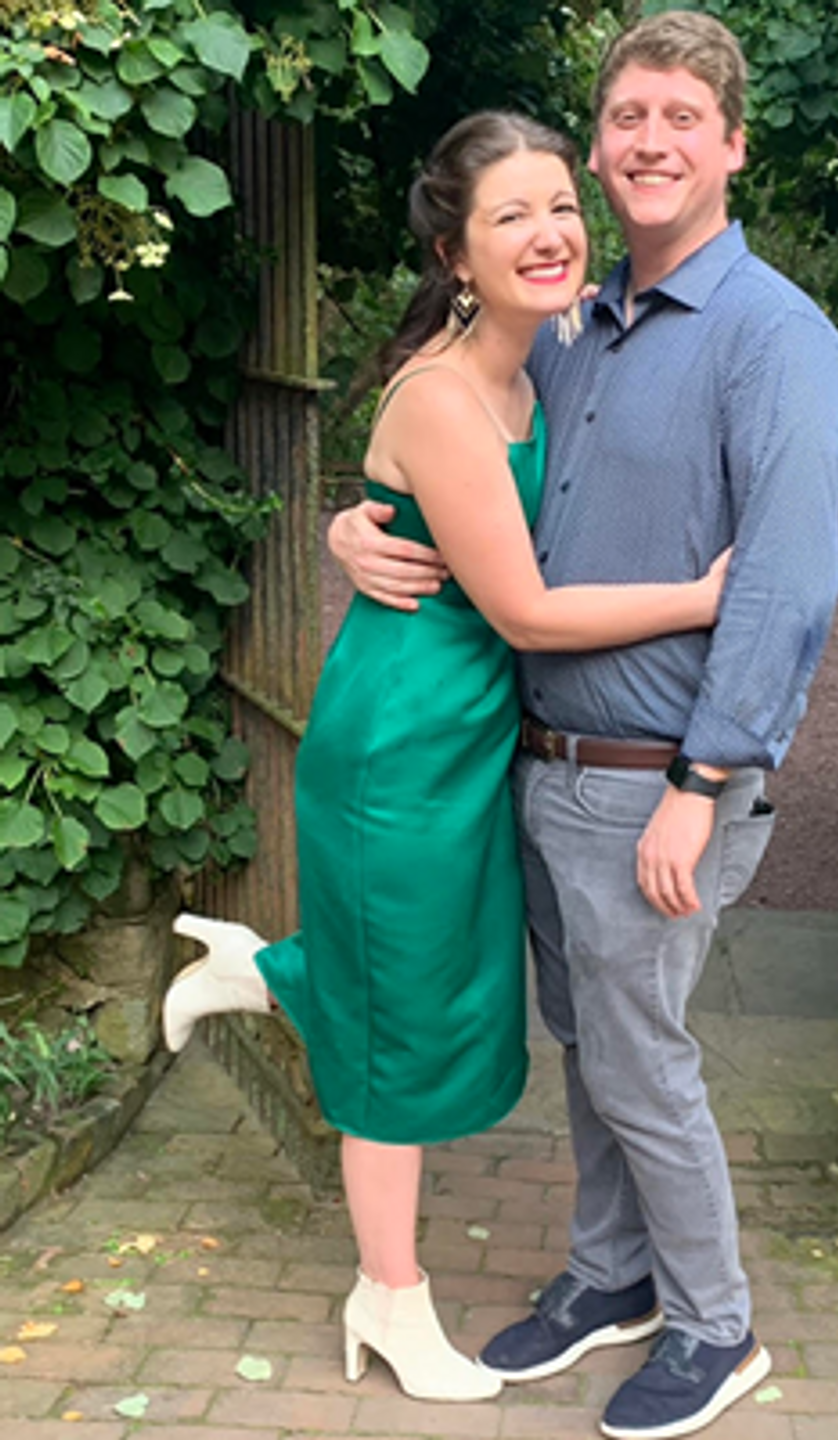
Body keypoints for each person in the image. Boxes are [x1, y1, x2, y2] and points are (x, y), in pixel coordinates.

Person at [328, 12, 838, 1440]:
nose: (649, 143)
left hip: (654, 783)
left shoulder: (776, 341)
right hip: (545, 766)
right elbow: (455, 456)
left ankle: (713, 1324)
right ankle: (612, 1278)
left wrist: (709, 774)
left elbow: (793, 584)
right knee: (595, 1045)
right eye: (627, 117)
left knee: (640, 1058)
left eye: (683, 116)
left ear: (734, 144)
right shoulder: (577, 328)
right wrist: (356, 524)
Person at [161, 110, 729, 1409]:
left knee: (440, 985)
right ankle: (391, 1299)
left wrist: (347, 526)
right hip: (402, 747)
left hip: (475, 733)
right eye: (509, 216)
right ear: (452, 251)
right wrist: (704, 599)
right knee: (408, 1036)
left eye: (561, 206)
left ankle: (275, 973)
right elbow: (525, 608)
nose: (548, 233)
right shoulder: (444, 391)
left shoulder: (572, 349)